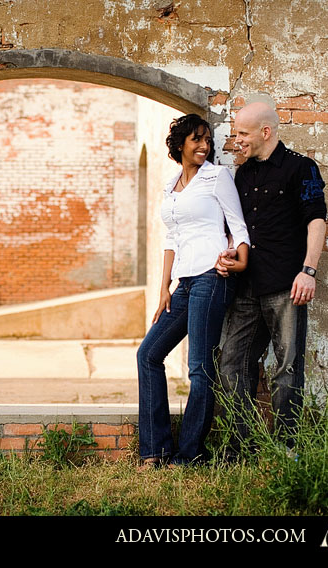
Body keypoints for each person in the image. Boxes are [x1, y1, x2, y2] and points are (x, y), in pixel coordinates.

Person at [137, 114, 250, 469]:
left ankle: (188, 455)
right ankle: (155, 449)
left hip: (212, 277)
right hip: (183, 283)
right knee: (148, 355)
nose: (204, 147)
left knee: (200, 367)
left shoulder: (217, 177)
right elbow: (171, 237)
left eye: (207, 141)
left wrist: (239, 259)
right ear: (180, 144)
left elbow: (238, 225)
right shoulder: (171, 186)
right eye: (196, 140)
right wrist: (163, 287)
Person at [215, 101, 327, 460]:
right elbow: (239, 228)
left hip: (286, 287)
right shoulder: (242, 175)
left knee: (287, 369)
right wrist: (230, 251)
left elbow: (317, 221)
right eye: (235, 133)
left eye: (242, 133)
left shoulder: (301, 168)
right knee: (232, 364)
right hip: (246, 287)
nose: (236, 141)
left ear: (266, 132)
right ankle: (240, 448)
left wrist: (308, 271)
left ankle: (286, 449)